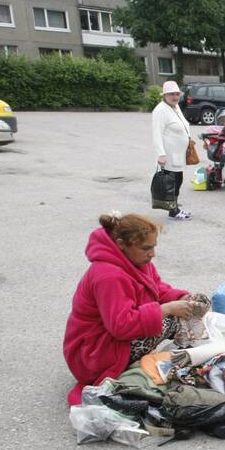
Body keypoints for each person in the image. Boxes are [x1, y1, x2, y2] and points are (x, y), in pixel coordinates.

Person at [63, 213, 199, 405]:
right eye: (146, 248)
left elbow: (157, 288)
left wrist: (181, 297)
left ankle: (180, 355)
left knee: (183, 311)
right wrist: (166, 309)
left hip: (106, 341)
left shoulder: (136, 262)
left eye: (153, 246)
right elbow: (121, 326)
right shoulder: (108, 276)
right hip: (92, 353)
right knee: (173, 320)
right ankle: (161, 361)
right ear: (121, 244)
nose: (152, 253)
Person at [151, 80, 193, 220]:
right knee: (171, 182)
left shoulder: (175, 107)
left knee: (178, 180)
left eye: (177, 94)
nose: (175, 97)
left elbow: (182, 125)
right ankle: (173, 210)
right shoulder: (160, 110)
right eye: (171, 94)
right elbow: (156, 133)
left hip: (179, 153)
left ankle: (173, 206)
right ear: (164, 95)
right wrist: (161, 154)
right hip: (169, 154)